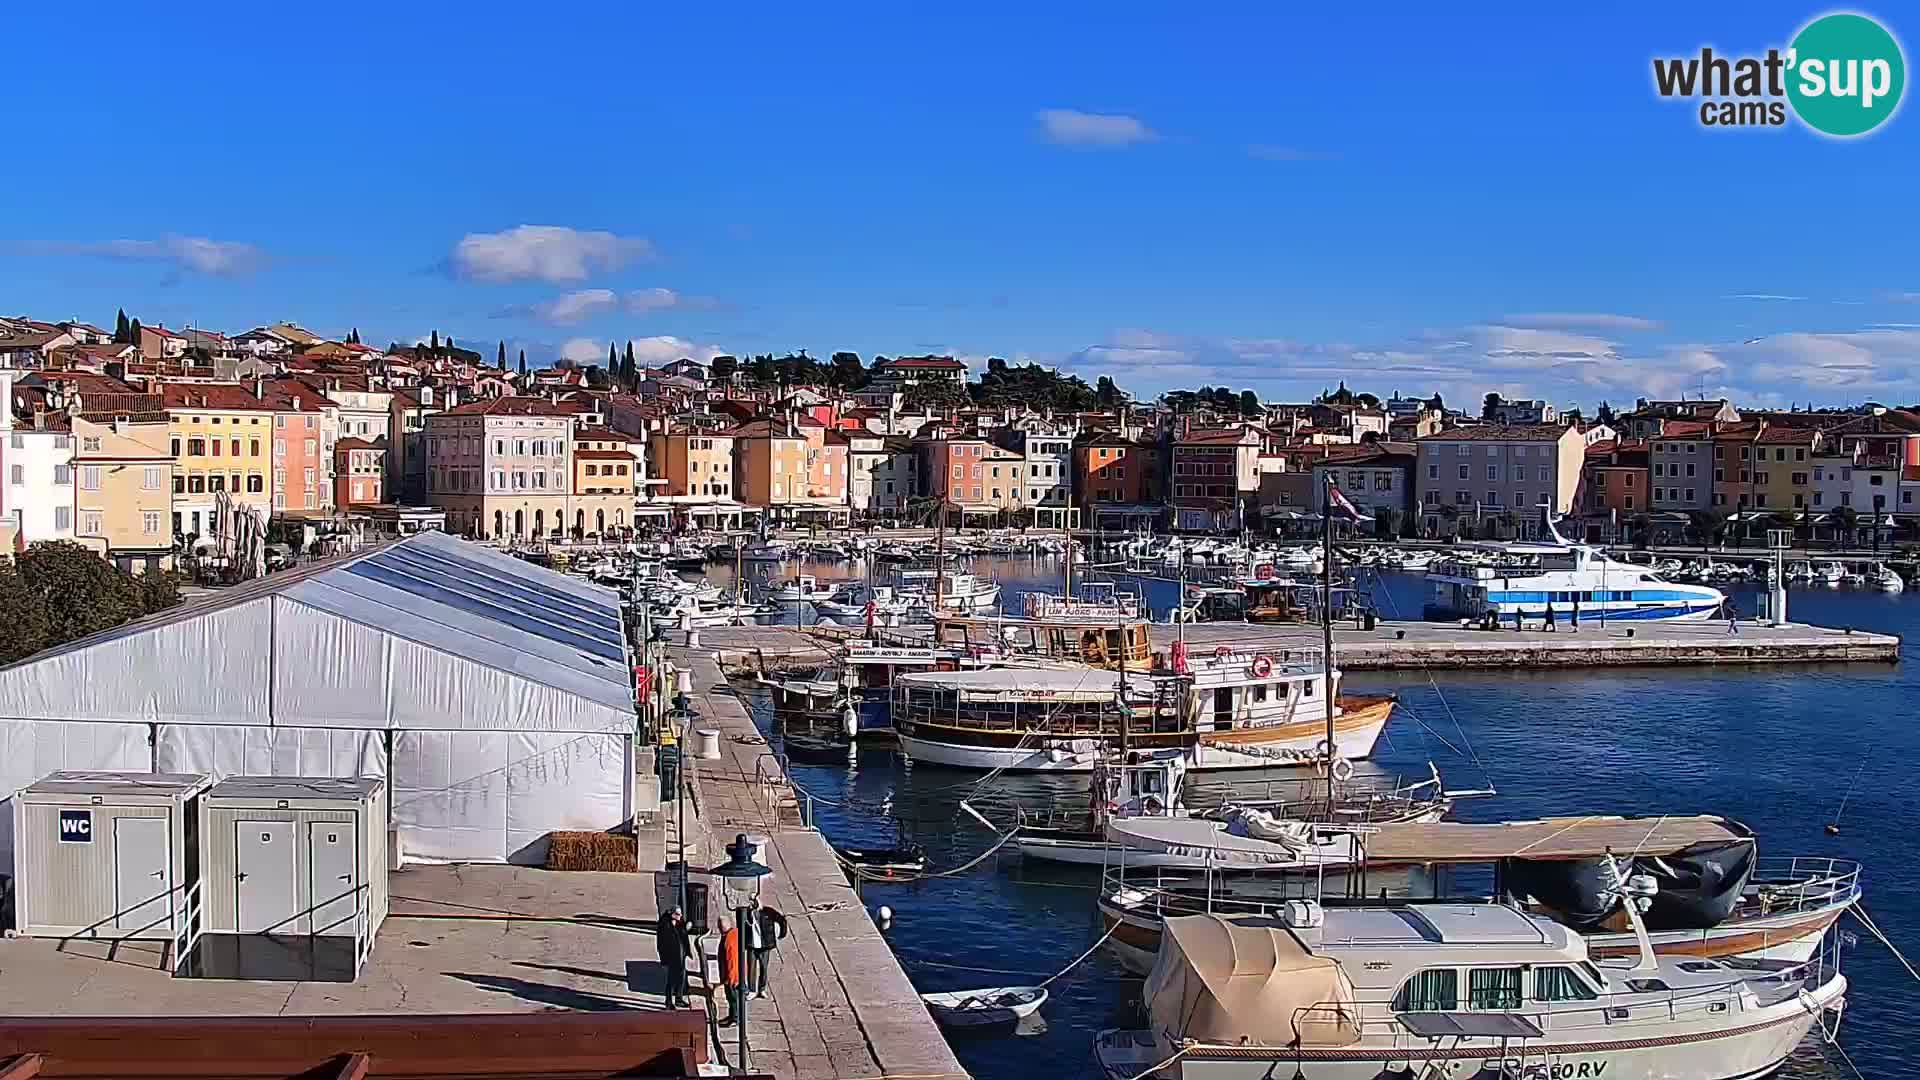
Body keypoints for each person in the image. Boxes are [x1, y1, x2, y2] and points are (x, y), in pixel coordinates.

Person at [749, 904, 790, 999]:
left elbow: (781, 920)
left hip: (764, 945)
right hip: (752, 945)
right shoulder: (747, 913)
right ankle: (752, 990)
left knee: (764, 968)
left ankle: (761, 989)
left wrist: (782, 933)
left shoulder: (768, 911)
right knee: (751, 968)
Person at [655, 906, 691, 1008]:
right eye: (678, 915)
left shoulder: (679, 921)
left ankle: (679, 998)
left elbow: (683, 933)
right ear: (673, 914)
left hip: (681, 956)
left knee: (681, 978)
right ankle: (669, 1001)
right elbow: (662, 944)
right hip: (672, 957)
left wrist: (686, 928)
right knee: (671, 980)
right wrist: (664, 958)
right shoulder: (664, 924)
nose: (681, 916)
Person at [717, 915, 744, 1027]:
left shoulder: (729, 940)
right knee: (732, 997)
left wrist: (731, 979)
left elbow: (731, 960)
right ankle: (732, 1016)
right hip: (736, 973)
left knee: (732, 997)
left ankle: (735, 1018)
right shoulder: (735, 933)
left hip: (733, 976)